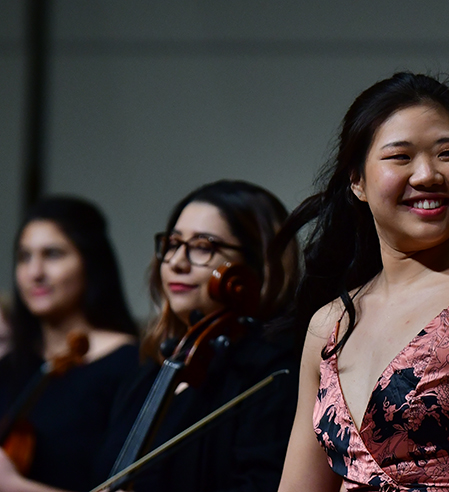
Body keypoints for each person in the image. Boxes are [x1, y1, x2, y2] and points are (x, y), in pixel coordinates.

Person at [276, 72, 449, 492]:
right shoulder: (329, 324)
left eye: (448, 153)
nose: (427, 175)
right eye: (400, 157)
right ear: (357, 180)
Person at [93, 180, 299, 492]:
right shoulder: (149, 371)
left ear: (256, 264)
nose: (176, 262)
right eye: (173, 244)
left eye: (204, 247)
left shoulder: (273, 373)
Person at [0, 197, 139, 492]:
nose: (34, 272)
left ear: (89, 262)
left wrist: (13, 485)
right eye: (24, 257)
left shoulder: (130, 367)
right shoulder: (13, 365)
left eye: (52, 254)